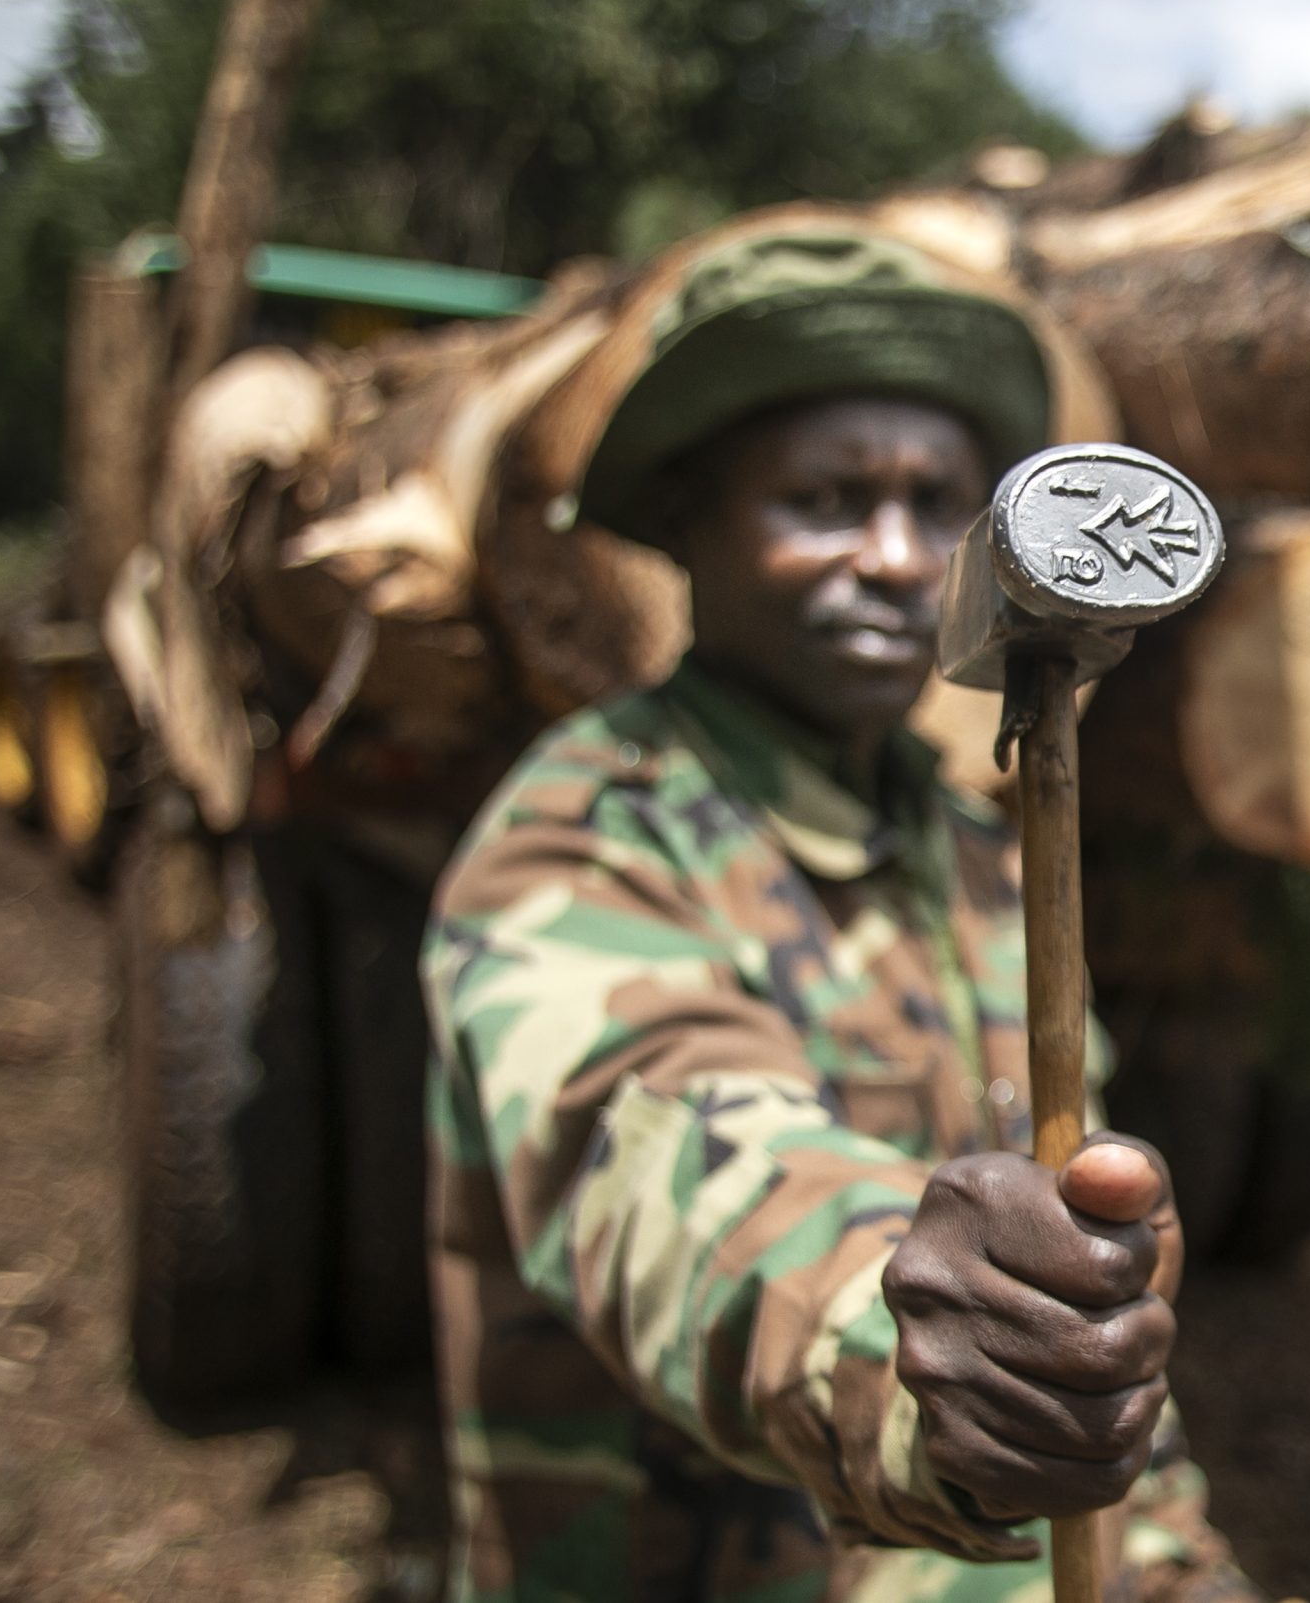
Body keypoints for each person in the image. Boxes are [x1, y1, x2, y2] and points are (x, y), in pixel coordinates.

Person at [421, 227, 1259, 1602]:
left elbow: (1082, 1303)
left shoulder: (982, 852)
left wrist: (1166, 1556)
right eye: (821, 500)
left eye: (938, 507)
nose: (890, 556)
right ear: (692, 522)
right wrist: (903, 1348)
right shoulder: (581, 840)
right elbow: (670, 1175)